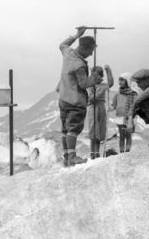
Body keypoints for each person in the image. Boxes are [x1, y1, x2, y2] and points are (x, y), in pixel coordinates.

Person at [57, 26, 100, 167]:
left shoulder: (68, 53)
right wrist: (94, 78)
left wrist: (77, 34)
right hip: (75, 100)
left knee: (65, 129)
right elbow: (83, 84)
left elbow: (62, 45)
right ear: (87, 48)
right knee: (73, 129)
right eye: (92, 50)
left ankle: (66, 156)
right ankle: (73, 157)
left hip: (63, 97)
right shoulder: (79, 65)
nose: (92, 54)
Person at [87, 65, 114, 159]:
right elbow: (90, 99)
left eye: (98, 76)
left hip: (101, 107)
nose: (96, 79)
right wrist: (99, 92)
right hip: (92, 108)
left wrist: (108, 71)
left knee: (100, 130)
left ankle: (97, 153)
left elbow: (110, 83)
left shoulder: (103, 85)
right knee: (93, 129)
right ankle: (92, 153)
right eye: (94, 76)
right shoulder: (90, 85)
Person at [110, 73, 138, 153]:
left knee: (128, 135)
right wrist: (109, 108)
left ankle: (127, 151)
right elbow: (113, 106)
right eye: (119, 79)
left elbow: (135, 106)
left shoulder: (133, 93)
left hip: (129, 117)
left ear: (127, 81)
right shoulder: (117, 93)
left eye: (122, 80)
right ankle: (121, 152)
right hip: (119, 117)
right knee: (121, 136)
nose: (120, 81)